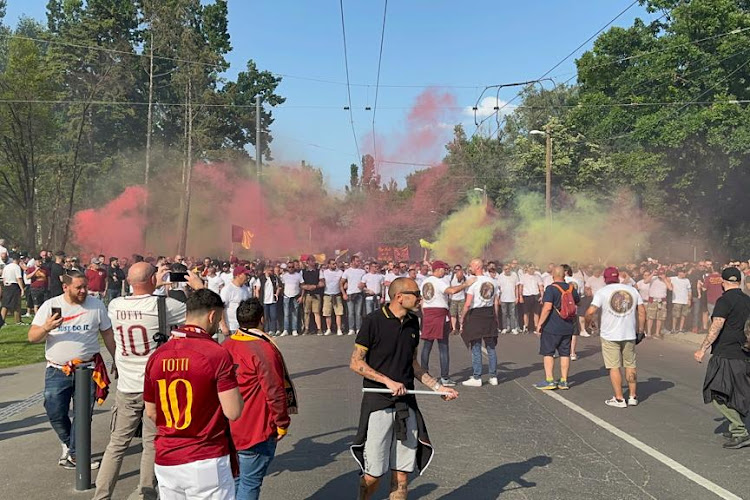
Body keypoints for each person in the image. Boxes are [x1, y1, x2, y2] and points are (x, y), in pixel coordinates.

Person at [349, 277, 458, 500]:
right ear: (400, 296)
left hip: (406, 405)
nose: (420, 297)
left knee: (401, 476)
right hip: (378, 403)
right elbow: (356, 363)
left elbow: (414, 365)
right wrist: (387, 381)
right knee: (373, 476)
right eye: (416, 293)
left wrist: (438, 387)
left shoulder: (413, 322)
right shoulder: (373, 321)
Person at [93, 263, 192, 500]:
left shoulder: (115, 306)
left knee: (117, 444)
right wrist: (189, 285)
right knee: (151, 443)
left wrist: (152, 283)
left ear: (127, 280)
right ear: (153, 279)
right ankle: (144, 493)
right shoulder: (164, 305)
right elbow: (197, 310)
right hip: (155, 386)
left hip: (127, 384)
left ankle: (102, 495)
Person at [144, 289, 244, 500]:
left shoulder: (157, 355)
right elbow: (233, 411)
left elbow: (151, 411)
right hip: (205, 457)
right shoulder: (216, 353)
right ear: (212, 316)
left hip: (166, 458)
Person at [27, 269, 116, 469]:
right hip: (57, 370)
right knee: (55, 411)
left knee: (83, 415)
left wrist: (115, 359)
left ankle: (76, 455)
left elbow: (107, 333)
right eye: (79, 287)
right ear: (65, 287)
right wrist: (46, 327)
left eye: (85, 286)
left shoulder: (96, 305)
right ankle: (69, 444)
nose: (84, 291)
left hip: (88, 370)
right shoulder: (51, 306)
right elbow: (32, 337)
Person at [224, 298, 296, 499]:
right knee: (249, 484)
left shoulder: (227, 345)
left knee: (235, 481)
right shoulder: (263, 349)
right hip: (255, 429)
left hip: (229, 429)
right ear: (261, 319)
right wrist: (282, 423)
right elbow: (275, 391)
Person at [694, 267, 750, 449]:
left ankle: (740, 431)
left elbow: (716, 327)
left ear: (724, 283)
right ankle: (736, 426)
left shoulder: (724, 301)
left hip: (725, 354)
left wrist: (702, 348)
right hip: (743, 354)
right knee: (737, 392)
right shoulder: (747, 300)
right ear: (739, 281)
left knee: (715, 393)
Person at [585, 267, 646, 408]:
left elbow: (590, 311)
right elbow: (642, 311)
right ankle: (632, 396)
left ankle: (619, 399)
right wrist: (641, 331)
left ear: (605, 279)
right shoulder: (631, 290)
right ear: (618, 277)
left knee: (614, 367)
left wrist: (589, 324)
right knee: (630, 365)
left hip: (610, 334)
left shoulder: (602, 292)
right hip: (629, 333)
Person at [420, 260, 474, 388]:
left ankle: (423, 373)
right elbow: (452, 291)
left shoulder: (424, 282)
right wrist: (466, 284)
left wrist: (425, 315)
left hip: (428, 314)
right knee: (443, 347)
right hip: (439, 314)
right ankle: (444, 377)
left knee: (427, 346)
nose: (445, 271)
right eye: (443, 269)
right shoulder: (439, 282)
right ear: (438, 269)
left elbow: (422, 301)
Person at [534, 266, 580, 390]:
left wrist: (539, 324)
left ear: (553, 275)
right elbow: (577, 302)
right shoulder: (571, 288)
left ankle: (549, 380)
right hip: (568, 326)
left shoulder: (551, 289)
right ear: (564, 275)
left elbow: (547, 307)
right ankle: (564, 380)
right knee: (565, 353)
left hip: (552, 327)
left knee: (548, 352)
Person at [461, 258, 500, 387]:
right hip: (489, 314)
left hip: (476, 315)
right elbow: (495, 302)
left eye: (471, 265)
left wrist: (462, 318)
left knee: (476, 347)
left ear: (477, 266)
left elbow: (467, 304)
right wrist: (496, 317)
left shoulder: (474, 282)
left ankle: (477, 377)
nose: (469, 268)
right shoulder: (493, 281)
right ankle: (493, 376)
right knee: (491, 347)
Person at [220, 265, 252, 336]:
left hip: (243, 327)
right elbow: (220, 308)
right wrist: (223, 326)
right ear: (238, 275)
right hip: (231, 327)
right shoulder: (227, 289)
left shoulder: (245, 289)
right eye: (245, 274)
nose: (247, 276)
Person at [341, 255, 366, 335]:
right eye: (357, 261)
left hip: (359, 294)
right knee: (351, 313)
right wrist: (344, 293)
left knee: (358, 313)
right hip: (350, 294)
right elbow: (341, 283)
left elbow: (365, 282)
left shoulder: (362, 271)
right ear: (352, 262)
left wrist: (363, 286)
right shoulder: (347, 271)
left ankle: (358, 328)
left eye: (359, 261)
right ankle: (351, 328)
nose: (358, 262)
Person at [300, 256, 324, 335]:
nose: (313, 262)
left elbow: (322, 283)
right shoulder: (302, 272)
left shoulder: (319, 271)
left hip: (316, 294)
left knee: (316, 312)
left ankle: (319, 329)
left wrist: (315, 286)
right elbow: (300, 284)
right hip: (307, 294)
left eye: (313, 261)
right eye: (311, 261)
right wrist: (307, 287)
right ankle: (306, 329)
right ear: (308, 262)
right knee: (306, 312)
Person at [321, 259, 344, 335]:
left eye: (335, 264)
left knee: (338, 313)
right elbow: (322, 281)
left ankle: (339, 329)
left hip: (337, 295)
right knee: (327, 313)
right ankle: (328, 329)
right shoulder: (324, 272)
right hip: (327, 294)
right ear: (329, 265)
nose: (335, 265)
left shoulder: (340, 272)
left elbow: (343, 282)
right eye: (333, 264)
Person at [280, 264, 304, 336]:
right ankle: (286, 330)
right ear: (287, 268)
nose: (291, 268)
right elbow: (282, 286)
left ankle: (294, 330)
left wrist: (301, 296)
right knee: (286, 314)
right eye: (289, 267)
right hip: (287, 296)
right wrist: (282, 294)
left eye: (292, 267)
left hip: (295, 296)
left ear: (294, 268)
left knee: (295, 314)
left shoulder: (298, 275)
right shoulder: (284, 276)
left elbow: (302, 286)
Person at [1, 251, 24, 324]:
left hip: (6, 286)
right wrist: (22, 289)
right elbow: (18, 278)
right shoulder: (16, 267)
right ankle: (18, 321)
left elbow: (3, 278)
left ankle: (2, 321)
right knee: (17, 304)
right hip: (14, 286)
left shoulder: (7, 267)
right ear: (18, 259)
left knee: (5, 304)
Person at [498, 263, 520, 334]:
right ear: (503, 270)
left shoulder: (514, 275)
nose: (507, 270)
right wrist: (498, 298)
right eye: (505, 269)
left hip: (512, 298)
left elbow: (516, 287)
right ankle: (505, 327)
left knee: (512, 314)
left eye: (508, 269)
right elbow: (499, 288)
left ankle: (513, 328)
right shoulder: (500, 276)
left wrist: (517, 297)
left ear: (510, 269)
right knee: (504, 314)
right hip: (503, 298)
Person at [668, 268, 692, 334]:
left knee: (683, 315)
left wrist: (689, 299)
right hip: (676, 300)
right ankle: (673, 328)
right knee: (675, 316)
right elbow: (664, 279)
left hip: (685, 300)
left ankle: (680, 329)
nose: (684, 273)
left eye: (685, 272)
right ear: (679, 272)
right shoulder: (673, 278)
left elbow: (689, 290)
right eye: (683, 272)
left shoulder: (687, 280)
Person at [258, 265, 281, 336]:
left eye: (272, 270)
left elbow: (278, 287)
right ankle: (266, 330)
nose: (271, 272)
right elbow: (257, 289)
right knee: (265, 317)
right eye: (270, 270)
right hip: (264, 301)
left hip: (272, 301)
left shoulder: (274, 278)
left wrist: (276, 294)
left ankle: (272, 330)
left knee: (273, 316)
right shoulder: (261, 279)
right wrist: (258, 299)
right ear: (266, 271)